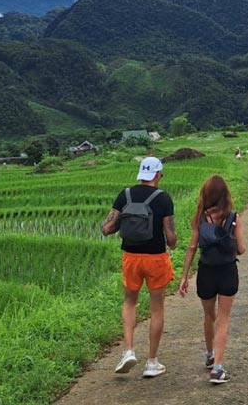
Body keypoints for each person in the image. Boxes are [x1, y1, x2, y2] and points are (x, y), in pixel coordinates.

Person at [101, 156, 177, 378]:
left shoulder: (124, 195)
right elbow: (170, 235)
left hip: (131, 257)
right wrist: (173, 244)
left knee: (130, 301)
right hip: (155, 258)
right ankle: (152, 362)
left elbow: (107, 228)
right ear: (157, 174)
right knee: (157, 307)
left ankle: (128, 351)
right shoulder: (163, 198)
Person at [178, 175, 246, 384]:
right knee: (223, 319)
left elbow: (191, 248)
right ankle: (218, 369)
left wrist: (184, 276)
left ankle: (209, 355)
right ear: (225, 195)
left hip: (206, 272)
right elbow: (241, 249)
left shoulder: (200, 218)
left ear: (206, 195)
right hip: (227, 272)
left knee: (209, 316)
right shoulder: (234, 217)